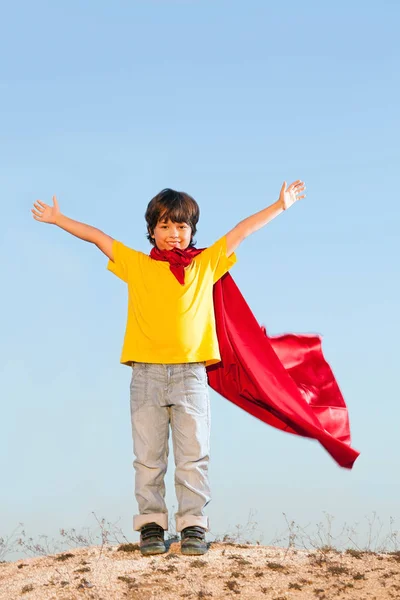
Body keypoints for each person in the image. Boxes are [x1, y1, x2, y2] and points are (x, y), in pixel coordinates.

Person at [31, 181, 306, 556]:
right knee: (148, 457)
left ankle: (193, 526)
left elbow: (242, 231)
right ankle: (151, 526)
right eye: (164, 226)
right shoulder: (138, 265)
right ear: (151, 230)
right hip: (146, 375)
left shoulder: (204, 264)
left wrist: (280, 205)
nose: (173, 234)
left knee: (194, 454)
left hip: (190, 375)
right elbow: (98, 237)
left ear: (192, 231)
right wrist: (58, 218)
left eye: (181, 227)